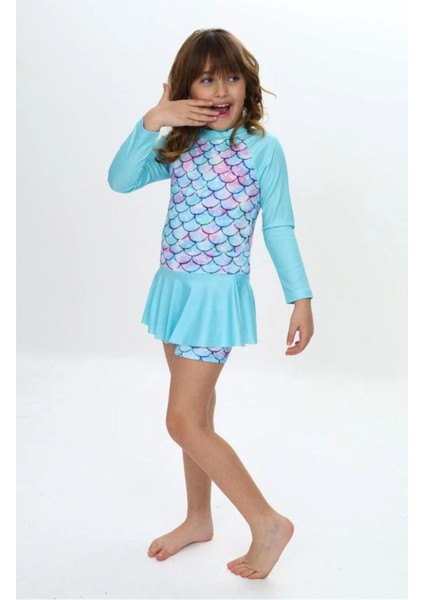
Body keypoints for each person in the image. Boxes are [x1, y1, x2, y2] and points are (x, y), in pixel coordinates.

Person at [108, 28, 314, 580]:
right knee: (197, 416)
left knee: (181, 421)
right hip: (174, 292)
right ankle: (198, 518)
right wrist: (154, 119)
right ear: (185, 89)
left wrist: (299, 296)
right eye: (206, 79)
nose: (221, 90)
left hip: (216, 300)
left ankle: (268, 523)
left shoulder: (261, 150)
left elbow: (279, 227)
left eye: (231, 78)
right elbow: (120, 181)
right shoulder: (180, 144)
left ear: (248, 86)